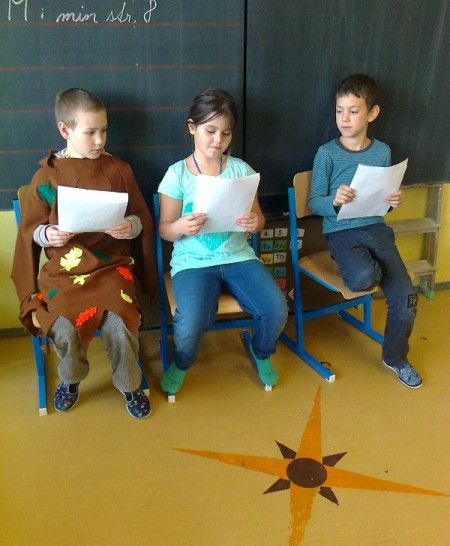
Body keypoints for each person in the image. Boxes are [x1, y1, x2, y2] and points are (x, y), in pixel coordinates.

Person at [11, 88, 156, 418]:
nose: (100, 140)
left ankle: (129, 383)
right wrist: (48, 234)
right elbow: (31, 231)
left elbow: (140, 217)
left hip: (111, 267)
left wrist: (129, 227)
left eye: (104, 130)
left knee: (120, 322)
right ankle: (71, 377)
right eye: (90, 132)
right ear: (65, 130)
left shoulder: (118, 169)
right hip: (64, 273)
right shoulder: (45, 177)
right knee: (62, 326)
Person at [157, 88, 288, 396]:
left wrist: (255, 222)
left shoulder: (240, 169)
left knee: (275, 308)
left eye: (226, 133)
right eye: (210, 131)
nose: (218, 140)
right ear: (192, 128)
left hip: (238, 257)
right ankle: (181, 363)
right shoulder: (177, 175)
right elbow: (164, 229)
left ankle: (262, 352)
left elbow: (259, 219)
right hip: (193, 263)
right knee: (192, 320)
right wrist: (180, 226)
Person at [309, 74, 421, 388]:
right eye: (339, 110)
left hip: (376, 228)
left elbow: (380, 201)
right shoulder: (327, 153)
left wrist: (392, 202)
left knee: (407, 298)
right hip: (341, 232)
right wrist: (334, 200)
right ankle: (371, 269)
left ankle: (396, 358)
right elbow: (314, 202)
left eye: (353, 111)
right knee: (362, 279)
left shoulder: (382, 152)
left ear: (372, 113)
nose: (344, 118)